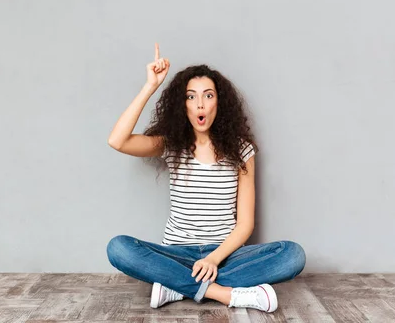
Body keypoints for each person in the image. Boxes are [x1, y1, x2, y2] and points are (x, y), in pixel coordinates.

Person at [106, 43, 306, 313]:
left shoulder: (242, 150)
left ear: (219, 102)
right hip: (176, 254)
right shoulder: (171, 145)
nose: (200, 103)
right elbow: (117, 141)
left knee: (292, 255)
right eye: (191, 97)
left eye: (208, 95)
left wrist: (213, 259)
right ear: (182, 105)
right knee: (118, 248)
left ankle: (175, 286)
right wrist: (150, 86)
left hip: (226, 255)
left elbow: (245, 224)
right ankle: (226, 294)